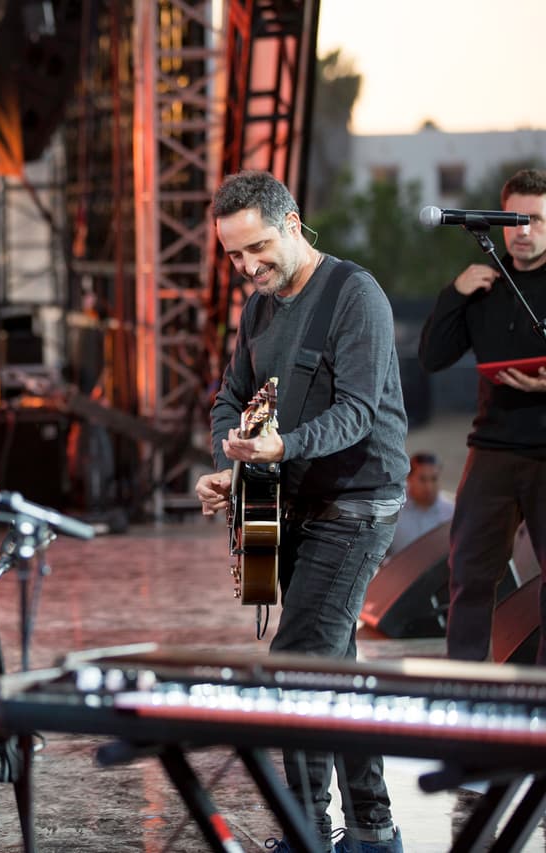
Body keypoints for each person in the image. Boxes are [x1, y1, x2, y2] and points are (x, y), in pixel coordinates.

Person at [194, 170, 408, 853]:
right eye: (233, 255)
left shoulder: (355, 295)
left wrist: (280, 446)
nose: (247, 266)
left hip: (358, 501)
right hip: (295, 500)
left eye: (256, 248)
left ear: (292, 224)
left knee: (297, 660)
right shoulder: (256, 309)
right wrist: (233, 460)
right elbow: (231, 396)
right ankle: (373, 830)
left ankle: (307, 831)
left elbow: (357, 411)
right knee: (333, 666)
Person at [419, 168, 546, 665]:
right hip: (492, 449)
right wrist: (455, 293)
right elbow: (431, 357)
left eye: (534, 219)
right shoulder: (484, 285)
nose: (522, 230)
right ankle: (463, 695)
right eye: (512, 219)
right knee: (469, 575)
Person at [386, 452, 455, 557]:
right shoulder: (392, 510)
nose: (429, 487)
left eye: (434, 479)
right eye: (423, 479)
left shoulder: (451, 513)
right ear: (409, 479)